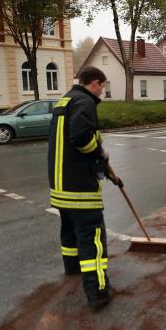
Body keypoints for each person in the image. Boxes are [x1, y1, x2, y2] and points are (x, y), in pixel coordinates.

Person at [48, 66, 112, 308]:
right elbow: (82, 139)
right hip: (79, 187)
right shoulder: (85, 103)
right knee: (92, 237)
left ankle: (72, 269)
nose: (102, 92)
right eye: (103, 87)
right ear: (94, 83)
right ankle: (98, 292)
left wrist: (101, 159)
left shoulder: (65, 100)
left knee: (70, 230)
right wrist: (100, 152)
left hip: (61, 185)